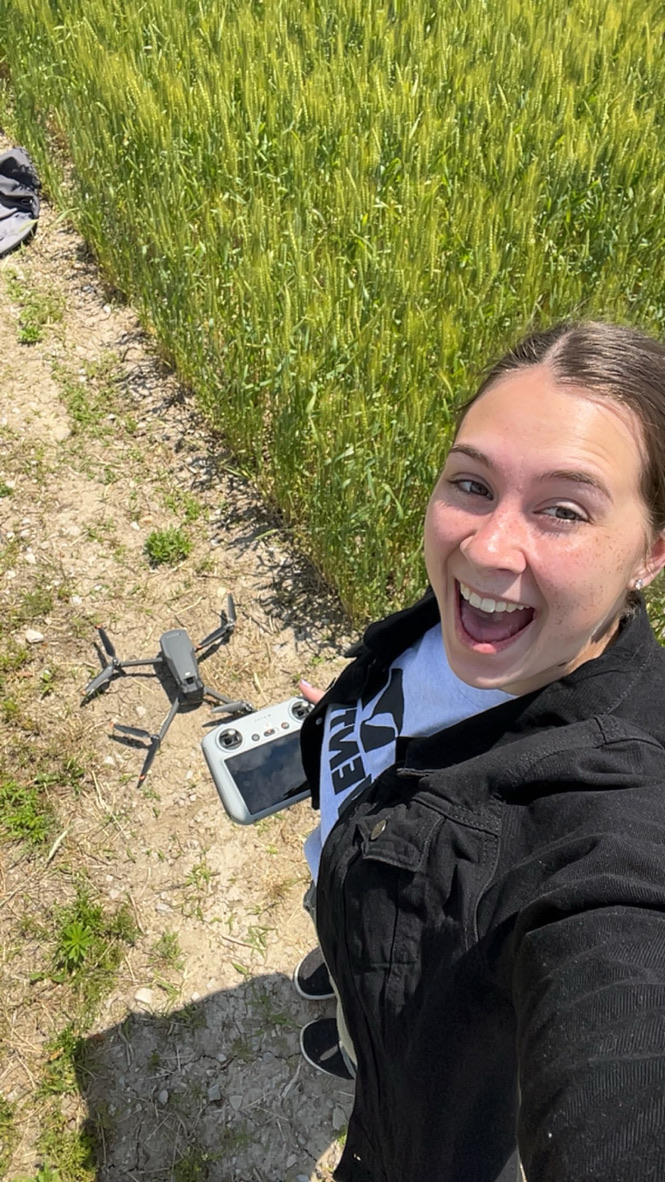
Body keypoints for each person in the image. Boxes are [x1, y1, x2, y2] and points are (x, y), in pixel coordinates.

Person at [294, 321, 665, 1182]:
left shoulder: (609, 824)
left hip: (413, 1094)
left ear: (650, 553)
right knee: (355, 977)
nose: (486, 546)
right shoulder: (478, 621)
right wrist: (344, 720)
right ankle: (347, 988)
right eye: (471, 483)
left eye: (563, 509)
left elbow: (617, 1002)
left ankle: (362, 1040)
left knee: (386, 1035)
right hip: (353, 883)